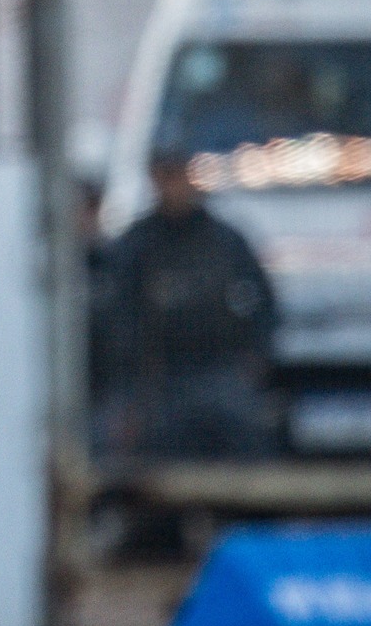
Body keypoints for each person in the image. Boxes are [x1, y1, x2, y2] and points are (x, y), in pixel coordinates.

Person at [95, 145, 278, 457]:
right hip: (160, 378)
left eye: (178, 175)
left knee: (245, 450)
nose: (173, 186)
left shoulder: (224, 239)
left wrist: (256, 356)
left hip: (221, 369)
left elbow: (263, 300)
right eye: (165, 176)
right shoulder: (137, 244)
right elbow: (117, 314)